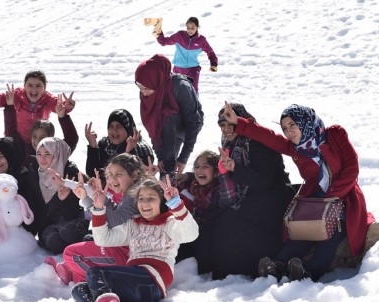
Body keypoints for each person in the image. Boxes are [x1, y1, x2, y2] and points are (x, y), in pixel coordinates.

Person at [221, 103, 373, 281]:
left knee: (329, 236)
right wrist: (239, 123)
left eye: (292, 125)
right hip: (315, 199)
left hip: (344, 198)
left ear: (305, 122)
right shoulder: (295, 147)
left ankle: (310, 272)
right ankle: (277, 266)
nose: (289, 132)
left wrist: (333, 195)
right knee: (302, 233)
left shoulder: (335, 134)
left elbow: (352, 168)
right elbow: (270, 137)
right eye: (285, 128)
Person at [70, 177, 199, 302]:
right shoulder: (133, 224)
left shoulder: (170, 224)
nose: (144, 203)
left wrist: (176, 204)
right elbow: (103, 239)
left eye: (151, 198)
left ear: (161, 202)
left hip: (152, 282)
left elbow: (191, 234)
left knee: (96, 274)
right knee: (80, 291)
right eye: (141, 199)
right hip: (133, 284)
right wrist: (98, 209)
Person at [195, 103, 294, 280]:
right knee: (216, 217)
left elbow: (265, 180)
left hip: (271, 196)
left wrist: (235, 168)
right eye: (222, 125)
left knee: (230, 221)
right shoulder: (229, 142)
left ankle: (249, 269)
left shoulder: (258, 142)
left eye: (231, 124)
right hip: (249, 195)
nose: (226, 130)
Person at [46, 153, 148, 284]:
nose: (112, 179)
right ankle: (73, 271)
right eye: (110, 175)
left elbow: (112, 221)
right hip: (123, 247)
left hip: (127, 255)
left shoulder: (135, 193)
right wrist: (92, 198)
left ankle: (85, 279)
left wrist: (92, 202)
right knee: (88, 239)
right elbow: (114, 212)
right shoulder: (133, 190)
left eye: (118, 174)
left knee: (70, 253)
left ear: (133, 175)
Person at [134, 54, 204, 181]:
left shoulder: (181, 87)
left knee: (169, 116)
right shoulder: (147, 91)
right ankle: (166, 171)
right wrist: (160, 156)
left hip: (185, 123)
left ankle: (169, 174)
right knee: (165, 154)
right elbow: (153, 125)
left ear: (157, 80)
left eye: (147, 88)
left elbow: (194, 123)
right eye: (140, 88)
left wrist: (183, 158)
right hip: (166, 127)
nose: (144, 93)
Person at [23, 137, 89, 254]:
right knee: (54, 242)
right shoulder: (34, 173)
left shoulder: (70, 172)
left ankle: (85, 247)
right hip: (48, 227)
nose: (42, 158)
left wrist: (63, 200)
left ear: (57, 154)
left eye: (47, 154)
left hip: (70, 222)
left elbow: (73, 212)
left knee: (67, 232)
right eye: (39, 154)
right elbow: (38, 209)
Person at [0, 70, 76, 144]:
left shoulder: (47, 98)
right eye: (30, 85)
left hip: (38, 141)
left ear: (44, 88)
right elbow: (0, 99)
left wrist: (67, 106)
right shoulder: (17, 95)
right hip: (16, 140)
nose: (34, 89)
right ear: (24, 86)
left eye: (38, 86)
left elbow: (58, 106)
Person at [2, 83, 78, 163]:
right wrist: (10, 106)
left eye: (42, 137)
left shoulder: (57, 154)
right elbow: (11, 132)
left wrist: (63, 117)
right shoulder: (23, 152)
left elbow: (72, 138)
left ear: (50, 139)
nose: (37, 141)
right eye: (34, 136)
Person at [85, 109, 155, 180]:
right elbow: (92, 175)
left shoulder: (142, 149)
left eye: (119, 126)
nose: (114, 130)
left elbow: (136, 180)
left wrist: (130, 151)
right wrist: (92, 146)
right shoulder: (104, 144)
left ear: (128, 128)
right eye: (111, 126)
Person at [155, 16, 218, 93]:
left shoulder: (201, 40)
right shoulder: (180, 35)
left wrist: (213, 64)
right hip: (178, 68)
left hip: (193, 69)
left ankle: (194, 101)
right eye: (188, 28)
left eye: (193, 28)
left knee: (192, 91)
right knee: (177, 91)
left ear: (197, 27)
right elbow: (164, 42)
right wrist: (158, 30)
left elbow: (210, 52)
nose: (190, 30)